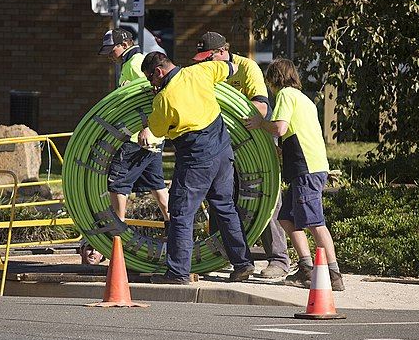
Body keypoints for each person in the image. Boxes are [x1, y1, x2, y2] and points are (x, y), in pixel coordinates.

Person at [141, 51, 255, 284]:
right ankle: (243, 263)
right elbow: (231, 68)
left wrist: (146, 122)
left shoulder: (164, 99)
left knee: (182, 213)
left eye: (150, 78)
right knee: (225, 207)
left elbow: (158, 131)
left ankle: (177, 272)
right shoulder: (201, 70)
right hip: (223, 152)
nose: (150, 83)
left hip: (195, 158)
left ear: (159, 72)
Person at [192, 31, 290, 279]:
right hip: (221, 141)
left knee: (265, 196)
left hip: (252, 141)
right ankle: (223, 255)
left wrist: (228, 118)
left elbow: (260, 107)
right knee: (221, 195)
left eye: (208, 57)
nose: (204, 63)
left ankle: (278, 259)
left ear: (223, 53)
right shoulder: (206, 72)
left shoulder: (247, 68)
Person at [243, 58, 344, 291]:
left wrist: (260, 123)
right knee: (286, 217)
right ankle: (306, 268)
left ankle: (334, 274)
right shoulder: (304, 98)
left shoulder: (286, 95)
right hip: (309, 165)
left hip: (305, 167)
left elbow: (280, 127)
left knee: (315, 222)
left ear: (273, 79)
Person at [98, 28, 170, 234]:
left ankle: (117, 231)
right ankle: (173, 226)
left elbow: (153, 95)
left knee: (117, 181)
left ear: (126, 44)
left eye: (113, 50)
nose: (110, 55)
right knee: (156, 185)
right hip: (151, 139)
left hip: (138, 138)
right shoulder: (130, 63)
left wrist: (146, 127)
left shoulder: (136, 63)